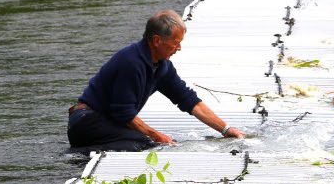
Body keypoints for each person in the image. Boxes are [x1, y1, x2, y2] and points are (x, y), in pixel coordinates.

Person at [67, 10, 245, 151]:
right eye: (176, 43)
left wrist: (225, 129)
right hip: (86, 121)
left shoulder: (162, 66)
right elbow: (124, 113)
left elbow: (190, 101)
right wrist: (157, 135)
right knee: (146, 144)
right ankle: (80, 155)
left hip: (108, 123)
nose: (179, 48)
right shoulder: (131, 62)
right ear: (157, 40)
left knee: (151, 142)